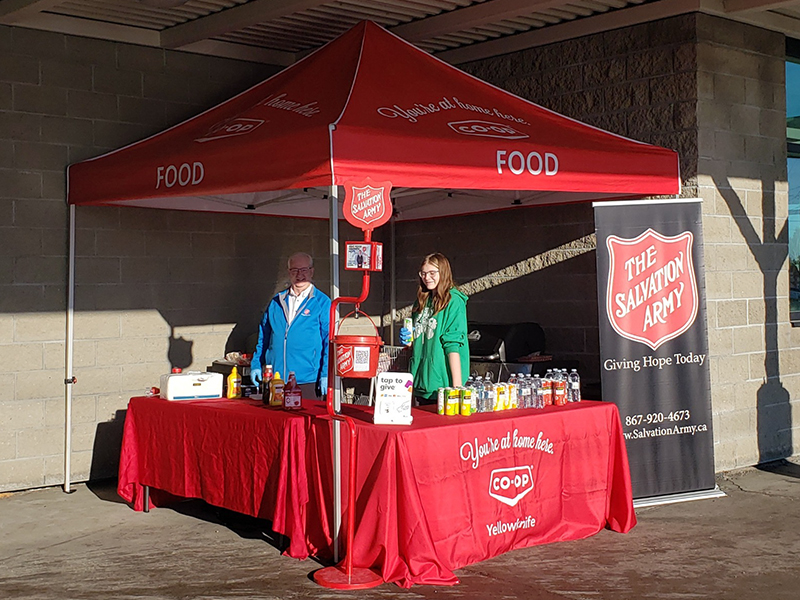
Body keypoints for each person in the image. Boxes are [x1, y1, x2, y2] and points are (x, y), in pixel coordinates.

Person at [251, 252, 331, 399]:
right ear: (289, 273)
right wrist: (256, 363)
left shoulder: (322, 302)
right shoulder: (276, 302)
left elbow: (329, 341)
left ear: (312, 271)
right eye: (295, 270)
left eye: (304, 270)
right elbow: (264, 336)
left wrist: (325, 374)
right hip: (276, 380)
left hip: (307, 381)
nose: (300, 275)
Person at [400, 253, 470, 405]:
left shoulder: (454, 300)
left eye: (432, 273)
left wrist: (457, 389)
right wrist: (409, 339)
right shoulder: (422, 300)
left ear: (443, 273)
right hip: (420, 383)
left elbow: (452, 344)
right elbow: (417, 340)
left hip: (443, 386)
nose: (427, 277)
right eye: (423, 273)